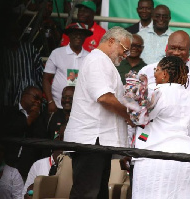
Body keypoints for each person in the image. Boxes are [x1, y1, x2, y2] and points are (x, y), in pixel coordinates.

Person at [63, 26, 133, 198]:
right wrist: (129, 115)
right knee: (87, 193)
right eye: (124, 50)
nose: (125, 56)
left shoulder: (103, 61)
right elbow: (104, 98)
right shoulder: (97, 60)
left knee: (98, 193)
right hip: (91, 141)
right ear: (111, 41)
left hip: (98, 142)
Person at [131, 56, 190, 198]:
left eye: (156, 70)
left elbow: (139, 119)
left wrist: (131, 96)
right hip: (186, 156)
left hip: (158, 157)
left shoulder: (156, 92)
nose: (154, 74)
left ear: (164, 74)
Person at [1, 86, 48, 180]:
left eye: (41, 100)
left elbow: (41, 141)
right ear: (24, 96)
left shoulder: (41, 119)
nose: (38, 102)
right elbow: (8, 131)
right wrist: (29, 119)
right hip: (5, 164)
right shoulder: (9, 112)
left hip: (26, 168)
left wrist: (35, 119)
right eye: (36, 98)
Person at [43, 22, 92, 113]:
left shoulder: (89, 57)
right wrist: (50, 101)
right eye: (75, 33)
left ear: (85, 37)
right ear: (69, 35)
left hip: (81, 108)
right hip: (57, 105)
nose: (78, 36)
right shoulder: (57, 53)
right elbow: (46, 79)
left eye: (81, 34)